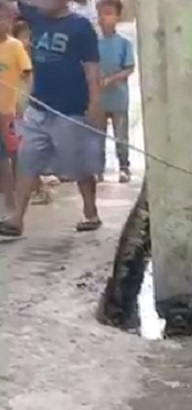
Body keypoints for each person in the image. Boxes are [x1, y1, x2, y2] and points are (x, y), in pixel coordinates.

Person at [0, 0, 104, 236]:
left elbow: (91, 67)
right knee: (28, 160)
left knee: (78, 165)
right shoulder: (35, 16)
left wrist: (95, 101)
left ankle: (91, 212)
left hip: (69, 108)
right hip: (38, 106)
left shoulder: (81, 27)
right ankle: (17, 219)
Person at [10, 16, 53, 206]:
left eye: (27, 36)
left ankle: (41, 188)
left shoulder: (30, 58)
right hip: (15, 108)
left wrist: (23, 106)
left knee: (24, 153)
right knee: (19, 153)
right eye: (21, 36)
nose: (24, 40)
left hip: (25, 109)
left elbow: (28, 84)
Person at [97, 0, 134, 183]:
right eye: (102, 13)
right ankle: (97, 169)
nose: (104, 17)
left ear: (117, 17)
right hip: (99, 99)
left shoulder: (123, 44)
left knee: (121, 135)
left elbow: (129, 68)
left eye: (109, 13)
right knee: (97, 135)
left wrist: (112, 79)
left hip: (119, 97)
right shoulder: (93, 43)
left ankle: (124, 167)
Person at [0, 2, 30, 213]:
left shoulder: (15, 46)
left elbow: (27, 74)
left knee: (17, 156)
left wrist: (22, 100)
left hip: (10, 111)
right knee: (2, 159)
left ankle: (20, 200)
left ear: (11, 21)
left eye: (3, 19)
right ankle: (9, 201)